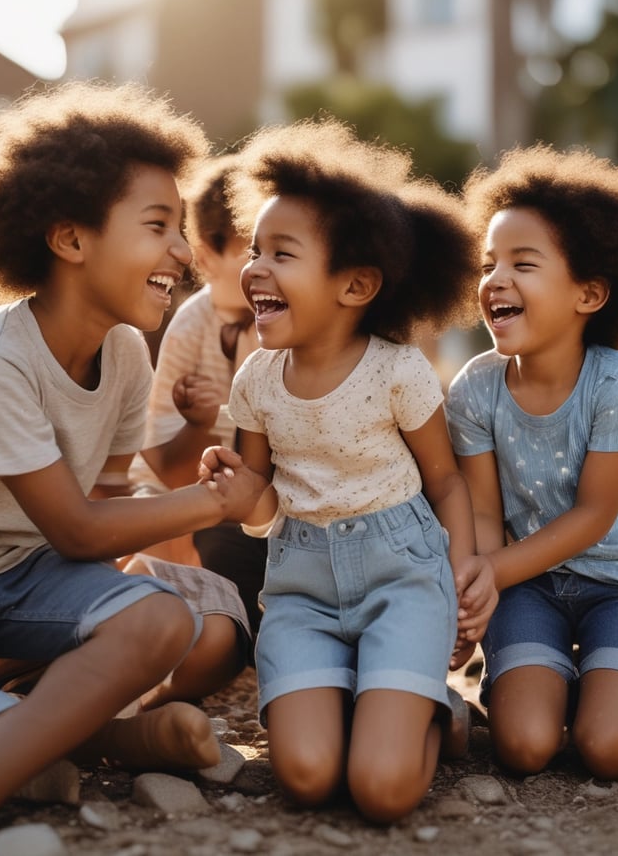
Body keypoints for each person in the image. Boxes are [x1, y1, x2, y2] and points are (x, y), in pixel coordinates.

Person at [0, 80, 266, 856]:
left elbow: (103, 508)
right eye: (159, 226)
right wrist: (214, 503)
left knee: (167, 620)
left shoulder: (127, 350)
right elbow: (76, 527)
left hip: (25, 579)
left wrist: (154, 572)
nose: (182, 252)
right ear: (70, 240)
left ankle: (71, 733)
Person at [199, 117, 494, 824]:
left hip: (403, 576)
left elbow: (446, 482)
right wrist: (242, 495)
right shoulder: (257, 382)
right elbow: (265, 502)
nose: (255, 269)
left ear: (356, 285)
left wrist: (458, 581)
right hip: (302, 587)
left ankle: (431, 710)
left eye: (283, 254)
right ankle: (379, 692)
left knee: (382, 789)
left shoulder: (397, 373)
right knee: (305, 776)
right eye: (255, 250)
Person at [446, 143, 618, 781]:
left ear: (589, 293)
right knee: (523, 746)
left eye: (524, 263)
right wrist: (479, 592)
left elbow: (595, 517)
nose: (496, 280)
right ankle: (558, 678)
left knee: (610, 750)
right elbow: (484, 509)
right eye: (490, 263)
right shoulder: (473, 389)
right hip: (529, 584)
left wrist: (487, 571)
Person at [135, 154, 267, 636]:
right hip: (208, 502)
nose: (265, 270)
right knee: (160, 523)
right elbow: (164, 470)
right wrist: (198, 423)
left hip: (275, 505)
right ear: (206, 255)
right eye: (252, 253)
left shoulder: (293, 324)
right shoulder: (193, 326)